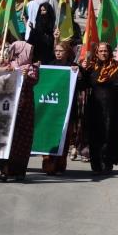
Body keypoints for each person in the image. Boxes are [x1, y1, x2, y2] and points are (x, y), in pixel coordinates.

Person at [79, 42, 118, 174]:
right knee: (94, 136)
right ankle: (96, 164)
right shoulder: (91, 68)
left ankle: (107, 162)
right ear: (96, 53)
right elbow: (82, 85)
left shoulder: (117, 67)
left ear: (110, 52)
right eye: (100, 51)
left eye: (105, 51)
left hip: (113, 110)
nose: (103, 53)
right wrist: (81, 70)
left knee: (110, 135)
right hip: (95, 108)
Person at [0, 41, 38, 181]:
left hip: (25, 109)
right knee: (7, 138)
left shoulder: (32, 68)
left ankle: (20, 171)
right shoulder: (9, 65)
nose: (31, 54)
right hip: (9, 107)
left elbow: (34, 81)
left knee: (23, 139)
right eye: (28, 51)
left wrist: (26, 76)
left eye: (31, 52)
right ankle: (5, 170)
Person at [41, 40, 79, 175]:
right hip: (51, 109)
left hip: (66, 110)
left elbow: (81, 84)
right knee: (49, 137)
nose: (58, 53)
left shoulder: (73, 66)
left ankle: (60, 166)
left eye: (60, 51)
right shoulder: (50, 66)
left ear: (67, 52)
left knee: (63, 137)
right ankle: (48, 165)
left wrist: (78, 74)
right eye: (56, 51)